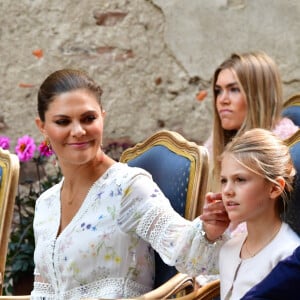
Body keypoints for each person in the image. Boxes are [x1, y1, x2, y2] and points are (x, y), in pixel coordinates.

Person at [31, 69, 229, 300]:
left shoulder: (127, 188)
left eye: (88, 118)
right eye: (63, 121)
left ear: (102, 117)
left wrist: (209, 231)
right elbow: (43, 292)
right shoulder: (46, 204)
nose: (78, 131)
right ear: (42, 126)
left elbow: (181, 245)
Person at [218, 128, 300, 300]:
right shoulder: (229, 248)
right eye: (224, 180)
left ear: (274, 188)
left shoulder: (286, 255)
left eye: (240, 180)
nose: (227, 191)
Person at [204, 51, 298, 192]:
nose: (222, 100)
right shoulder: (215, 143)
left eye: (234, 89)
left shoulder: (288, 146)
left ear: (258, 95)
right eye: (218, 91)